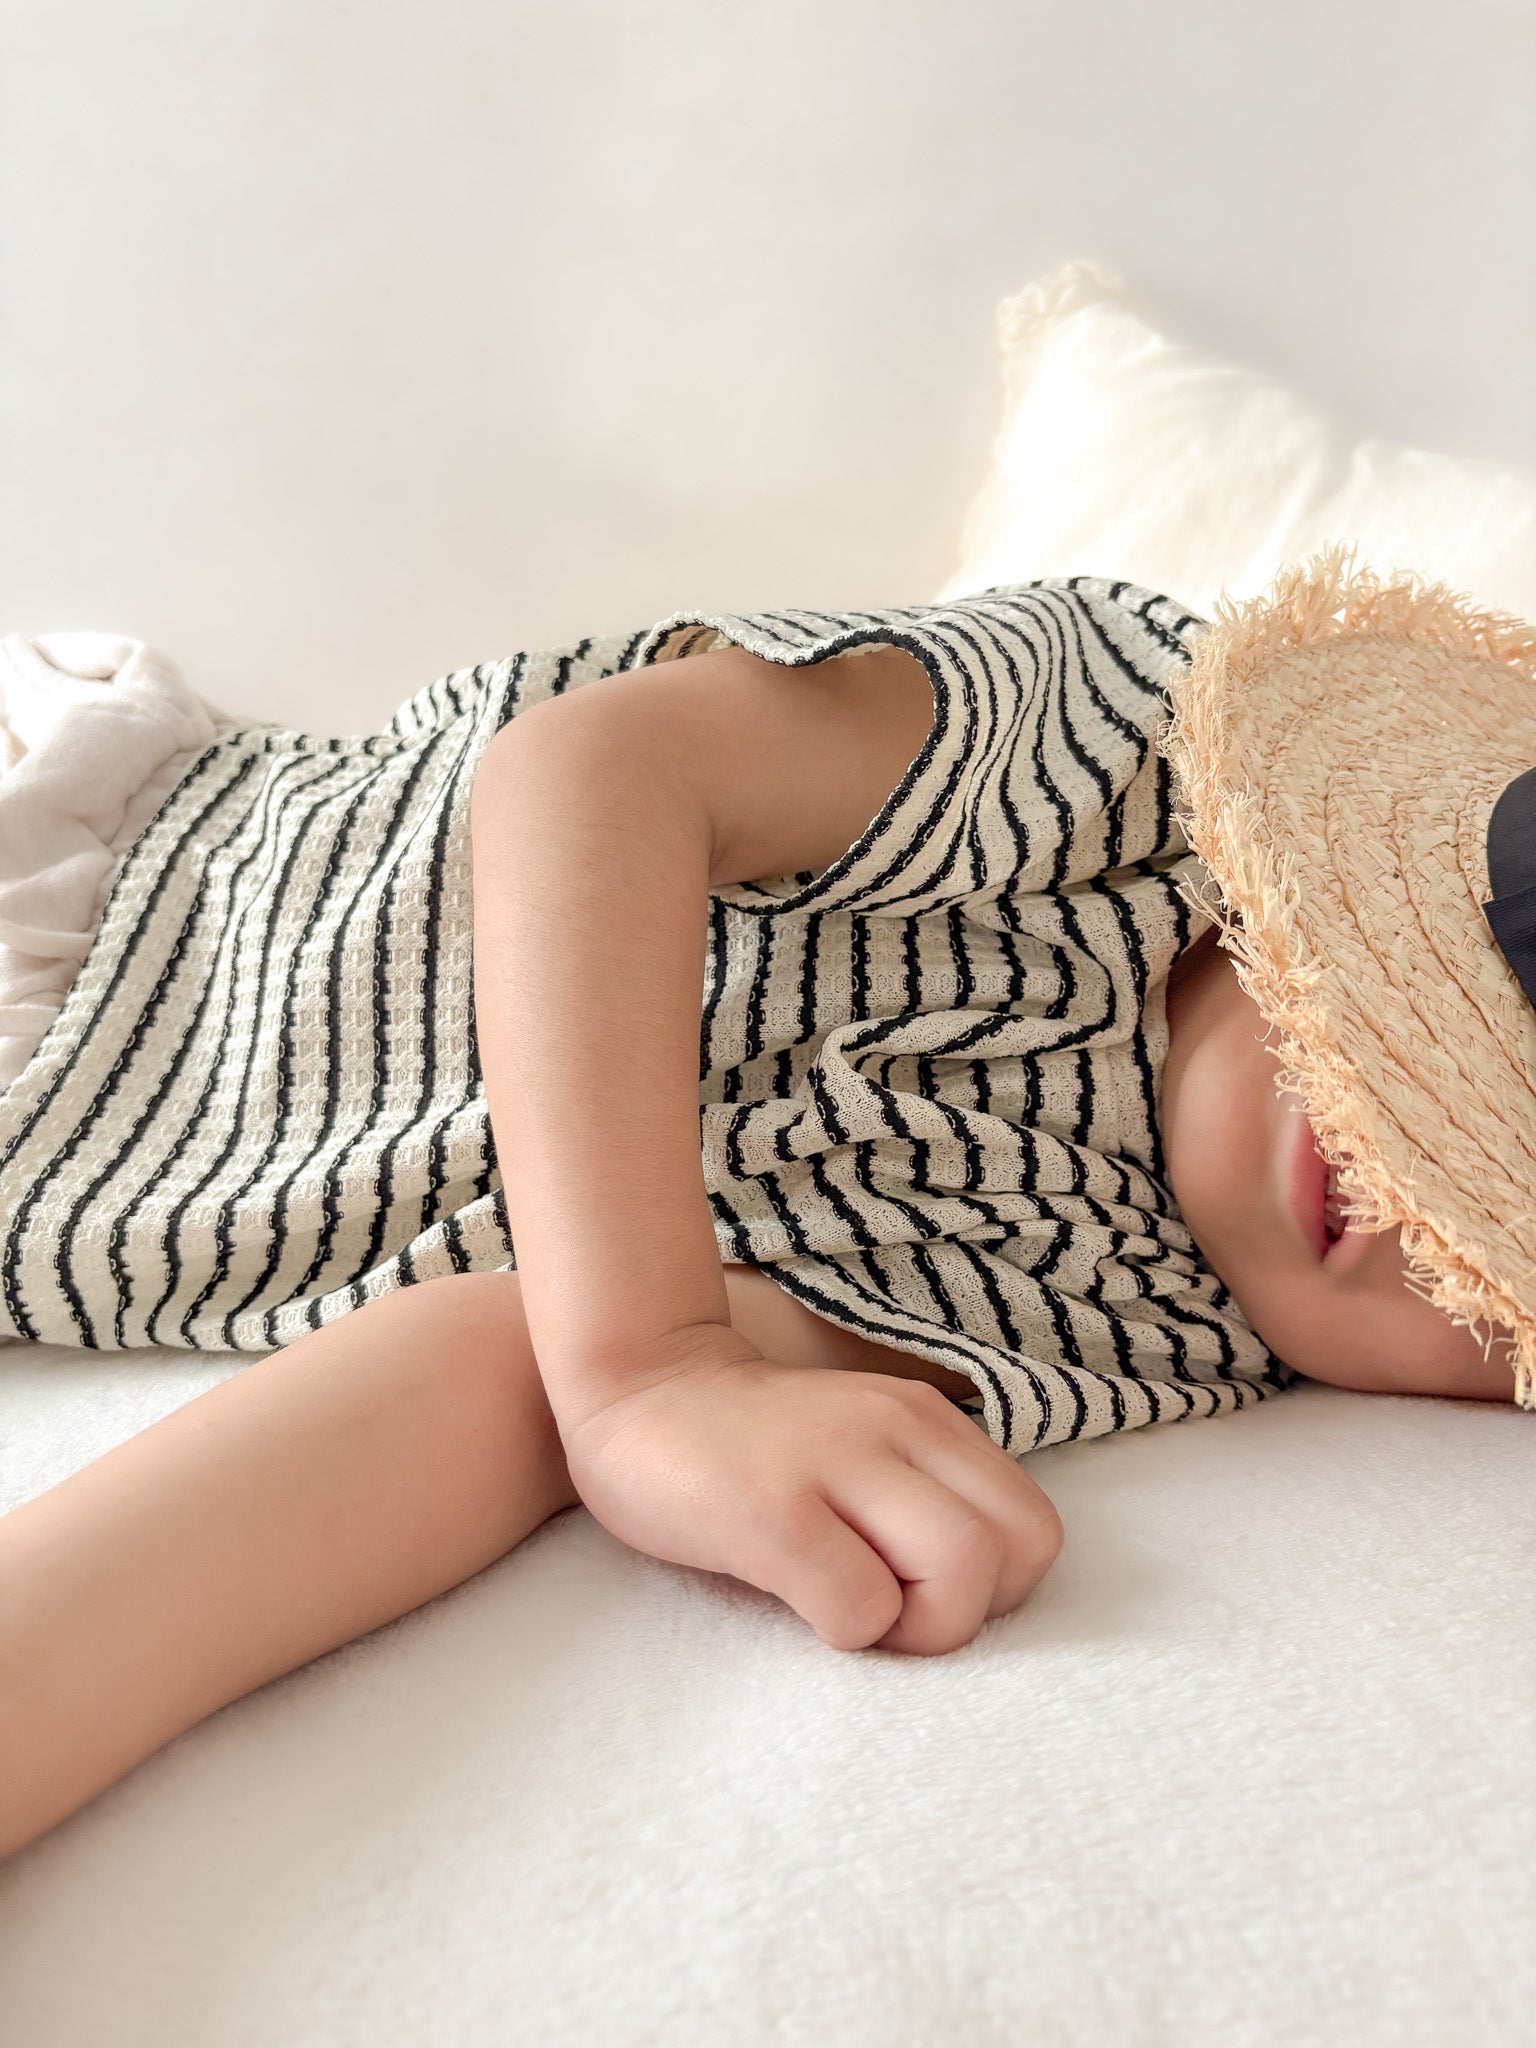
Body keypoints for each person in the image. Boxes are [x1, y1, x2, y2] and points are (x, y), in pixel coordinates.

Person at [0, 546, 1527, 1859]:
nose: (1408, 1193)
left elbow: (501, 1365)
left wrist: (663, 1400)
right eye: (1476, 1056)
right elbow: (599, 766)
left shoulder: (1151, 1322)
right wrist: (646, 1361)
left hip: (65, 1185)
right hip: (131, 881)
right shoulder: (1144, 747)